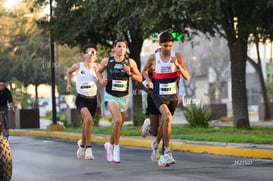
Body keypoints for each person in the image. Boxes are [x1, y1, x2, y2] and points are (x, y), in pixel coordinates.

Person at [142, 31, 190, 167]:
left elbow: (187, 76)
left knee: (165, 124)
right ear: (159, 44)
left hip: (173, 96)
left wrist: (179, 66)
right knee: (167, 117)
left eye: (170, 46)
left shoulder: (178, 57)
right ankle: (167, 153)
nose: (167, 49)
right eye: (165, 46)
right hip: (158, 94)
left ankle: (156, 145)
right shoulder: (153, 58)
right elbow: (144, 71)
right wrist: (148, 81)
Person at [96, 38, 142, 163]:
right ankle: (116, 148)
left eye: (123, 47)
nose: (121, 49)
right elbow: (98, 72)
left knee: (118, 125)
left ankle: (109, 145)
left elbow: (140, 78)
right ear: (114, 48)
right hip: (111, 96)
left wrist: (130, 73)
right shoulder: (107, 61)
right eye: (119, 46)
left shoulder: (130, 62)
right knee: (117, 120)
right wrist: (101, 80)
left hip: (124, 97)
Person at [66, 43, 99, 160]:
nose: (90, 55)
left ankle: (81, 144)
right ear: (84, 55)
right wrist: (69, 84)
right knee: (88, 120)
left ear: (95, 55)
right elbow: (68, 72)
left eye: (93, 53)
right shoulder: (78, 66)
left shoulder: (97, 67)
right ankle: (88, 149)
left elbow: (102, 81)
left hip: (93, 100)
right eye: (88, 53)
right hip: (81, 99)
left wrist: (99, 76)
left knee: (87, 123)